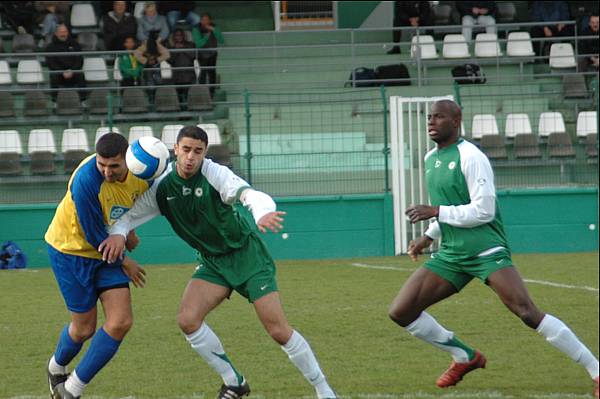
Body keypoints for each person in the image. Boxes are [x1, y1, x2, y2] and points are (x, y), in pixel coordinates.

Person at [99, 126, 338, 399]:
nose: (191, 157)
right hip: (213, 263)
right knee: (188, 320)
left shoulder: (213, 174)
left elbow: (247, 194)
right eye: (186, 149)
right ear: (175, 150)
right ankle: (234, 381)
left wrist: (261, 212)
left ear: (204, 153)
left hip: (247, 256)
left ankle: (324, 390)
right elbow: (128, 217)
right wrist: (118, 234)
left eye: (197, 151)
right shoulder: (162, 187)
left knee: (278, 330)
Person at [387, 100, 599, 397]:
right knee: (401, 311)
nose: (431, 122)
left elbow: (483, 210)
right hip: (452, 254)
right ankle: (464, 356)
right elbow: (453, 202)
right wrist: (429, 236)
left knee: (526, 312)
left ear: (457, 120)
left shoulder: (472, 157)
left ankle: (597, 371)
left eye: (439, 117)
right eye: (429, 117)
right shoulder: (431, 158)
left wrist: (436, 212)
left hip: (486, 249)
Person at [45, 133, 148, 399]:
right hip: (71, 251)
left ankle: (72, 389)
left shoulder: (143, 171)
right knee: (84, 329)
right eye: (102, 164)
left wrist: (129, 231)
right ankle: (55, 366)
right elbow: (93, 234)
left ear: (127, 159)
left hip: (106, 253)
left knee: (121, 322)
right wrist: (126, 261)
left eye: (114, 166)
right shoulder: (86, 181)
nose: (107, 171)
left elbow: (134, 202)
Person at [45, 24, 86, 102]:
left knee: (80, 75)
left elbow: (79, 60)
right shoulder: (50, 47)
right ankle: (55, 102)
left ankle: (83, 101)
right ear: (56, 33)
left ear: (68, 33)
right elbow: (51, 63)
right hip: (59, 73)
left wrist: (72, 70)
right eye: (61, 32)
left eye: (65, 32)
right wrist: (62, 72)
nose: (63, 34)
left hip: (73, 72)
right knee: (54, 76)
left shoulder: (75, 44)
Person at [192, 13, 224, 96]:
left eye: (207, 20)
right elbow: (199, 44)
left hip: (213, 54)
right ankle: (202, 92)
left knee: (212, 73)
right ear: (200, 20)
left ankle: (211, 93)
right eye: (203, 20)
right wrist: (207, 36)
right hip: (202, 54)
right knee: (202, 73)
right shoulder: (196, 29)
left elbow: (221, 40)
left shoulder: (214, 27)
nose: (205, 21)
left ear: (210, 20)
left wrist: (214, 30)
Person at [167, 29, 197, 106]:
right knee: (179, 96)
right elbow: (170, 60)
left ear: (184, 36)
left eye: (180, 35)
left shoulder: (191, 45)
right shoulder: (171, 47)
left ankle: (188, 112)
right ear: (174, 37)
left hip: (189, 75)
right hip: (177, 76)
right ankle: (182, 113)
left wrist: (183, 48)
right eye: (177, 35)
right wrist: (176, 49)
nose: (179, 37)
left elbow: (193, 56)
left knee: (189, 96)